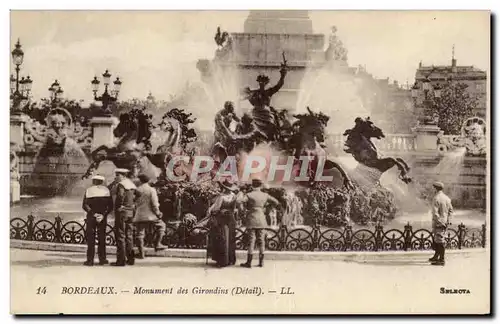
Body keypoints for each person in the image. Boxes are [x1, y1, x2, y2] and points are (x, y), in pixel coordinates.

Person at [238, 179, 280, 268]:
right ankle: (261, 262)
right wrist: (267, 209)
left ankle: (249, 262)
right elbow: (276, 202)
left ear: (252, 185)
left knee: (251, 240)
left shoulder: (249, 195)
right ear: (260, 186)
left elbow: (239, 201)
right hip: (261, 218)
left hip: (251, 218)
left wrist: (243, 211)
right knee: (261, 241)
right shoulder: (265, 195)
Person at [133, 174, 167, 259]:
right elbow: (154, 204)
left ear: (140, 180)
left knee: (140, 234)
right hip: (150, 216)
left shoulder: (136, 190)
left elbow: (134, 202)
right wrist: (158, 213)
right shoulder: (151, 190)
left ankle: (141, 254)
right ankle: (157, 243)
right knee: (162, 226)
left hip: (139, 215)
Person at [82, 175, 113, 266]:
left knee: (91, 239)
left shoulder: (89, 190)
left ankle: (90, 260)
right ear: (102, 182)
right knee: (102, 238)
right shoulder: (106, 191)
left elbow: (84, 205)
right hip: (102, 218)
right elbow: (110, 206)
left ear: (93, 181)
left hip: (91, 217)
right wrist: (103, 215)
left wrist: (93, 214)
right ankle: (102, 259)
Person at [206, 180, 239, 268]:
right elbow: (234, 208)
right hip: (231, 219)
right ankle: (231, 260)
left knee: (222, 238)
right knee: (230, 238)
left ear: (224, 188)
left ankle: (222, 261)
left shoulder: (221, 197)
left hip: (222, 219)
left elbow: (216, 209)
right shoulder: (234, 196)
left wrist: (210, 210)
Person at [112, 168, 137, 266]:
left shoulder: (122, 184)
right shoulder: (131, 184)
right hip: (130, 212)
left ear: (122, 175)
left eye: (117, 175)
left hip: (122, 213)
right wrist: (133, 205)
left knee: (120, 235)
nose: (116, 177)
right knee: (129, 235)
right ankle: (131, 259)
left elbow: (120, 196)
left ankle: (121, 260)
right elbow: (138, 195)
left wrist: (119, 206)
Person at [429, 181, 453, 266]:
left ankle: (441, 260)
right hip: (444, 222)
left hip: (439, 223)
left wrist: (439, 222)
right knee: (437, 239)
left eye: (433, 188)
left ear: (435, 188)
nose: (432, 189)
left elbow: (435, 213)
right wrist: (448, 221)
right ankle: (436, 256)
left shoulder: (436, 198)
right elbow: (451, 211)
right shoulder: (447, 198)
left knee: (439, 241)